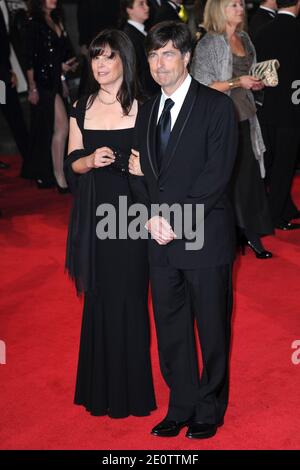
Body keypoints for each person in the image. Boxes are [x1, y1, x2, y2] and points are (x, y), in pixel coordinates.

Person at [129, 21, 237, 439]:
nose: (159, 63)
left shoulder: (215, 106)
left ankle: (209, 407)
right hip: (159, 238)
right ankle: (181, 404)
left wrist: (174, 219)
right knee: (171, 329)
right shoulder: (147, 109)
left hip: (204, 236)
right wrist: (152, 217)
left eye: (168, 53)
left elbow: (216, 176)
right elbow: (138, 171)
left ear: (187, 56)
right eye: (153, 55)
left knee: (211, 328)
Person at [65, 29, 156, 418]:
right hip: (96, 212)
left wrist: (141, 167)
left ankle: (132, 392)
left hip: (132, 215)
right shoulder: (81, 105)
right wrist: (89, 160)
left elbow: (161, 165)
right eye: (95, 58)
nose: (100, 65)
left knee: (132, 296)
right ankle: (100, 390)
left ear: (124, 60)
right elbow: (71, 163)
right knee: (100, 296)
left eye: (108, 57)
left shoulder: (146, 106)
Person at [192, 0, 274, 259]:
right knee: (229, 179)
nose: (240, 8)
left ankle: (249, 231)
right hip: (222, 120)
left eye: (241, 4)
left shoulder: (245, 39)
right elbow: (201, 85)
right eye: (234, 4)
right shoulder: (208, 43)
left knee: (249, 179)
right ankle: (234, 233)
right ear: (219, 9)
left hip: (248, 116)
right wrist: (238, 81)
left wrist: (257, 82)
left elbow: (250, 75)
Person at [253, 0, 300, 230]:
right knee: (284, 165)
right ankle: (275, 215)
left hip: (266, 108)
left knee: (269, 164)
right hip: (292, 110)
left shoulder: (262, 32)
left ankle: (279, 209)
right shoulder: (296, 31)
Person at [25, 0, 77, 191]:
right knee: (61, 127)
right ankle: (58, 175)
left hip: (56, 80)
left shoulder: (56, 18)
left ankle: (53, 172)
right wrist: (32, 87)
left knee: (55, 129)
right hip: (44, 82)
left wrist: (64, 72)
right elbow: (30, 58)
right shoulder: (33, 23)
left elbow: (61, 52)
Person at [0, 2, 30, 178]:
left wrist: (9, 69)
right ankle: (29, 159)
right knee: (13, 114)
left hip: (4, 72)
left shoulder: (5, 4)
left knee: (14, 115)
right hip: (1, 78)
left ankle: (29, 159)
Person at [120, 0, 159, 96]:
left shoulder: (141, 31)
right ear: (129, 10)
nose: (147, 7)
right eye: (141, 4)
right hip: (145, 94)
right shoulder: (129, 37)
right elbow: (135, 73)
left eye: (146, 3)